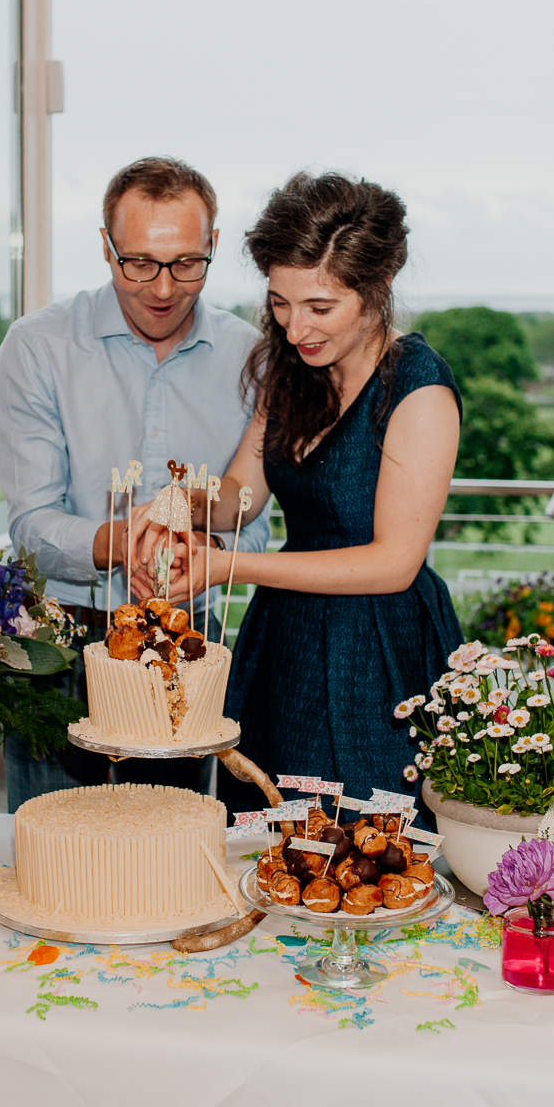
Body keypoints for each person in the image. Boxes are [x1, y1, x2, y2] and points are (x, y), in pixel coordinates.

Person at [152, 172, 462, 808]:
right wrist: (174, 504)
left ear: (377, 291)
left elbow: (393, 563)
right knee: (271, 834)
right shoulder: (292, 367)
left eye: (320, 308)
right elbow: (242, 493)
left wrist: (225, 566)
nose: (295, 329)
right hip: (287, 637)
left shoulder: (420, 391)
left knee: (368, 848)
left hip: (379, 648)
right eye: (280, 303)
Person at [0, 156, 271, 809]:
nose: (163, 288)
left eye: (185, 263)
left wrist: (193, 544)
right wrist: (128, 542)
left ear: (214, 247)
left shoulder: (252, 356)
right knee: (58, 850)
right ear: (105, 247)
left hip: (193, 635)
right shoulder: (37, 348)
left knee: (174, 848)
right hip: (58, 638)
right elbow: (31, 526)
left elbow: (247, 519)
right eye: (137, 262)